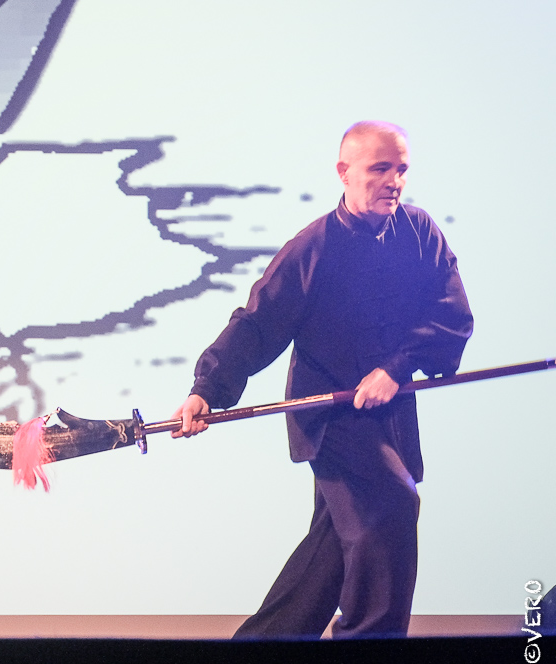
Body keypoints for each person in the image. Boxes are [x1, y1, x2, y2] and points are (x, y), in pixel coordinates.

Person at [170, 121, 474, 639]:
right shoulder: (312, 247)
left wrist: (396, 369)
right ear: (344, 172)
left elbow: (451, 311)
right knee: (389, 509)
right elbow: (257, 324)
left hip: (390, 415)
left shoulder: (420, 232)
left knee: (328, 554)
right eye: (380, 169)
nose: (394, 181)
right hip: (330, 414)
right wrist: (207, 390)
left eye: (401, 169)